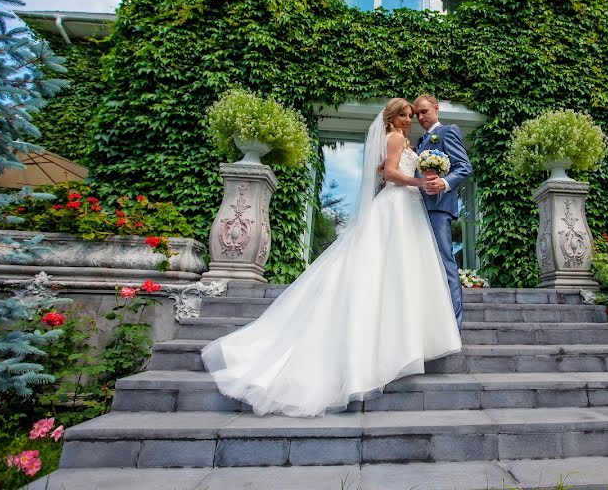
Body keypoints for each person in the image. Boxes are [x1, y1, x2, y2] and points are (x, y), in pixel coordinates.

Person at [201, 98, 462, 417]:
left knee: (399, 272)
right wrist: (419, 181)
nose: (409, 119)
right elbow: (392, 174)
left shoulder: (408, 141)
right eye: (404, 115)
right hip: (396, 206)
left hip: (406, 209)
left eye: (412, 115)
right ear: (392, 119)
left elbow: (386, 170)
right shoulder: (395, 138)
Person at [413, 94, 473, 327]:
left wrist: (445, 183)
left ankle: (454, 325)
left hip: (439, 207)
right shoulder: (420, 141)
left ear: (436, 109)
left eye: (424, 111)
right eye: (417, 113)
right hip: (419, 208)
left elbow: (464, 166)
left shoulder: (448, 131)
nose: (421, 117)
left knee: (445, 261)